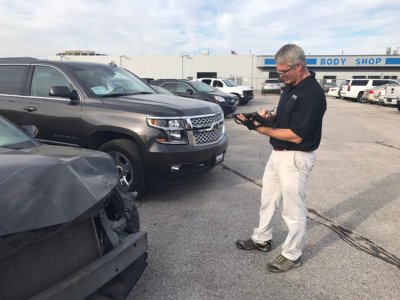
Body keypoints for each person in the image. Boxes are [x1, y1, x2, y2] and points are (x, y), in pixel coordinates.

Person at [236, 44, 327, 273]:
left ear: (299, 65)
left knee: (292, 211)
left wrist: (260, 130)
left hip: (296, 158)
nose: (281, 76)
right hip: (277, 155)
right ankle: (261, 239)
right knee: (268, 201)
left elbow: (297, 136)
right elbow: (284, 116)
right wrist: (264, 117)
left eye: (284, 71)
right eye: (278, 71)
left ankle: (292, 254)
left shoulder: (312, 94)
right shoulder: (290, 85)